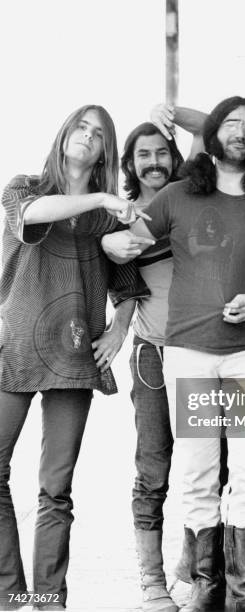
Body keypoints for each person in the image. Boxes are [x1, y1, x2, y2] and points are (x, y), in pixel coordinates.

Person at [109, 96, 245, 612]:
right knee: (195, 469)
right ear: (214, 134)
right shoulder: (176, 196)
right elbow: (123, 244)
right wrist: (114, 245)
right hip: (188, 353)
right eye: (230, 124)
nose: (241, 132)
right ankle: (206, 587)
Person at [0, 104, 147, 611]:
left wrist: (119, 331)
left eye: (98, 133)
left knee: (55, 489)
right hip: (13, 349)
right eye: (80, 127)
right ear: (64, 135)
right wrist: (104, 199)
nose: (87, 137)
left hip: (73, 353)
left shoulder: (109, 218)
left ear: (105, 148)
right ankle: (9, 593)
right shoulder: (24, 188)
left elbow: (130, 287)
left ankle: (47, 597)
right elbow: (34, 218)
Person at [97, 107, 207, 612]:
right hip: (153, 357)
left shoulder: (191, 196)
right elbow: (119, 285)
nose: (154, 162)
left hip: (204, 351)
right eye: (143, 155)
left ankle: (194, 565)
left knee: (210, 465)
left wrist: (172, 113)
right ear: (130, 164)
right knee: (154, 469)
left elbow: (212, 129)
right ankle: (152, 581)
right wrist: (118, 324)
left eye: (162, 152)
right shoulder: (121, 216)